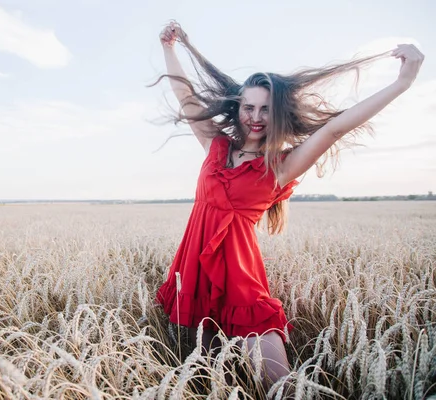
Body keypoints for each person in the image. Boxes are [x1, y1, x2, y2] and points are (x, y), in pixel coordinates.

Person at [153, 20, 424, 388]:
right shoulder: (215, 146)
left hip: (241, 280)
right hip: (194, 271)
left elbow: (335, 128)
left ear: (277, 112)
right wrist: (169, 48)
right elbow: (186, 97)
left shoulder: (280, 166)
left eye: (266, 109)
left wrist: (402, 83)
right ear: (238, 107)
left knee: (277, 384)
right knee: (208, 373)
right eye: (249, 107)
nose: (256, 117)